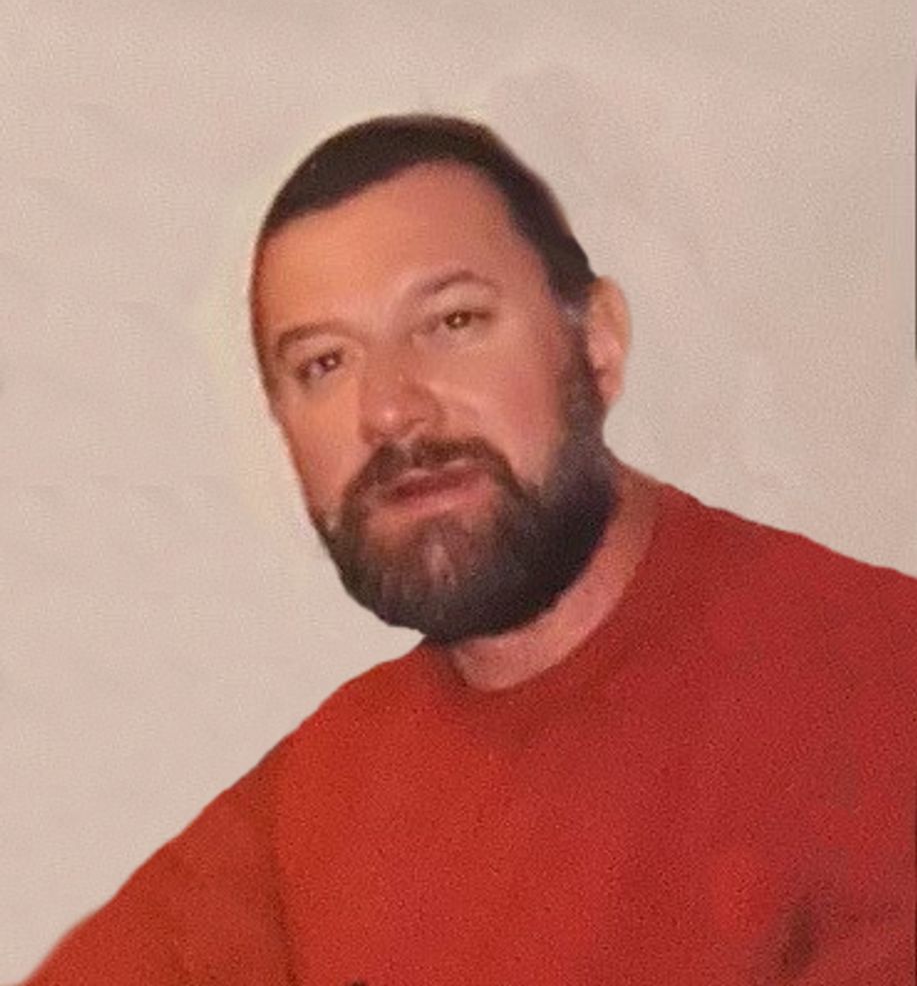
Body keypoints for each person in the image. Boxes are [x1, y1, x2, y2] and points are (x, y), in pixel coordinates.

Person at [25, 115, 915, 985]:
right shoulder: (321, 797)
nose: (390, 409)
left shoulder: (874, 692)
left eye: (452, 322)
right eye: (324, 363)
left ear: (597, 344)